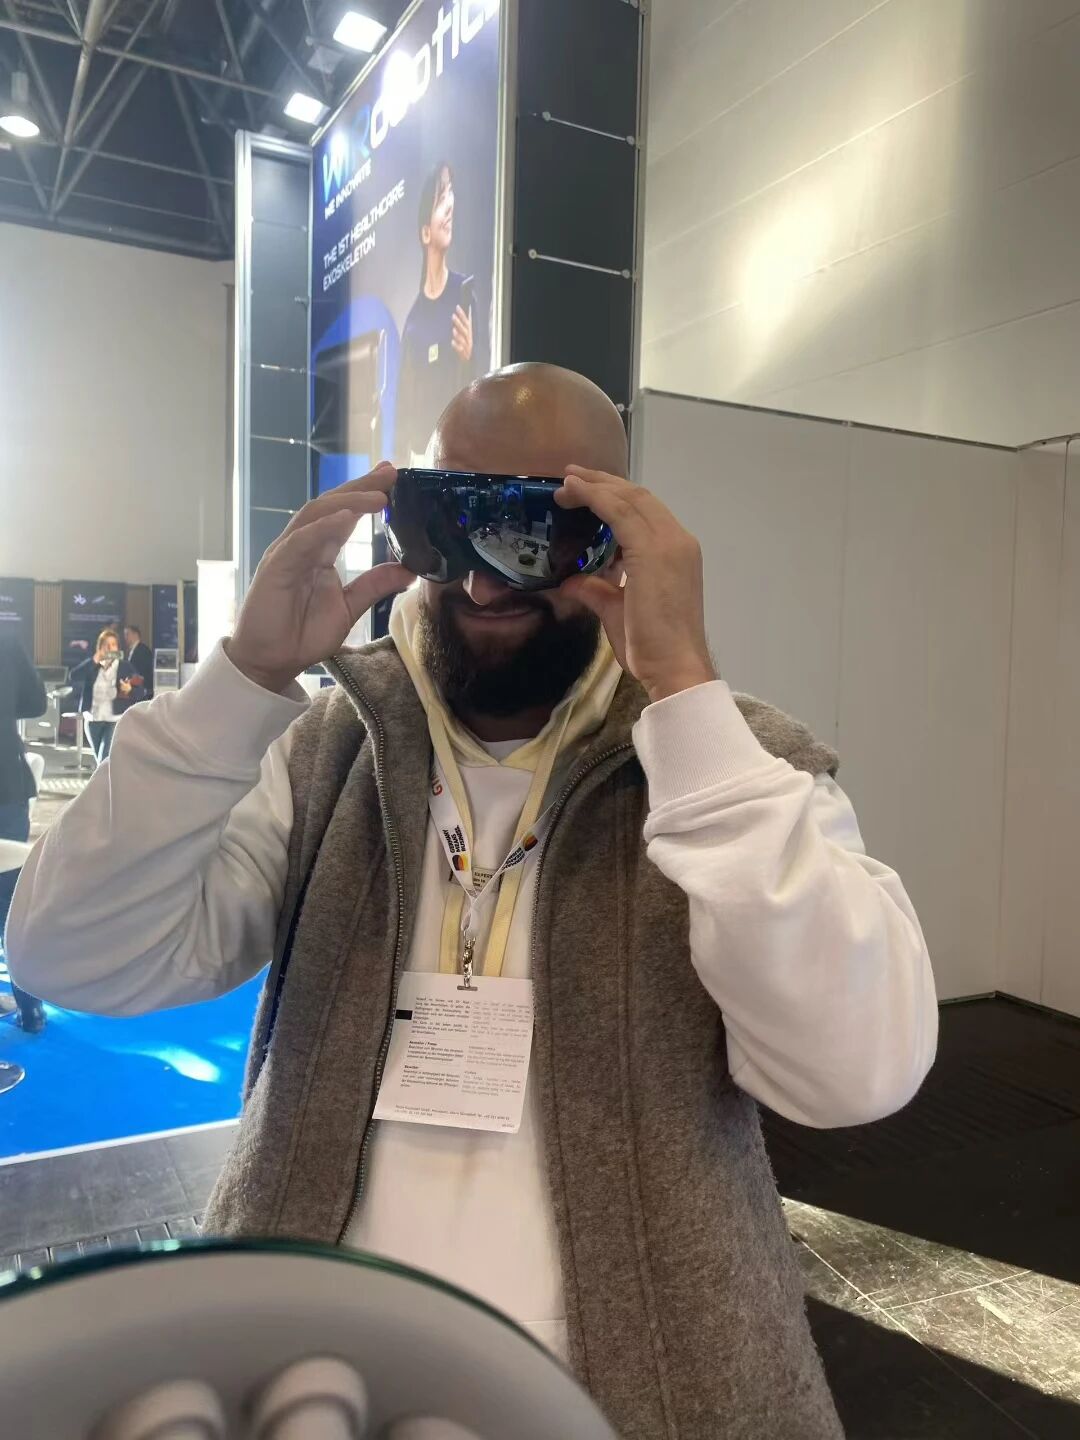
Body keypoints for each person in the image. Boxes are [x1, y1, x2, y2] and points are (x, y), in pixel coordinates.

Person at [8, 364, 938, 1440]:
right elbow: (71, 957)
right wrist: (242, 681)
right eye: (449, 523)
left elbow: (857, 1075)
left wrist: (687, 695)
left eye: (535, 529)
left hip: (649, 1385)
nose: (487, 586)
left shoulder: (734, 772)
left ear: (617, 538)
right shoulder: (326, 753)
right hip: (317, 1377)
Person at [395, 162, 488, 463]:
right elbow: (404, 406)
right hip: (421, 457)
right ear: (425, 232)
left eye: (450, 193)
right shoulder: (412, 322)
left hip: (460, 454)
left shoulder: (464, 295)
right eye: (440, 198)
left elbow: (483, 388)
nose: (450, 205)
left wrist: (468, 358)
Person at [0, 634, 47, 1034]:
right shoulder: (6, 643)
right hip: (6, 786)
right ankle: (30, 1008)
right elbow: (36, 703)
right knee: (12, 905)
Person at [69, 628, 143, 763]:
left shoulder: (125, 667)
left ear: (117, 648)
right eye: (106, 645)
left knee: (104, 759)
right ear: (100, 648)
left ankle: (105, 777)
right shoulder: (93, 666)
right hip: (93, 719)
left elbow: (140, 690)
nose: (109, 648)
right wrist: (94, 660)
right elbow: (73, 676)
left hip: (114, 720)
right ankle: (109, 777)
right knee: (100, 761)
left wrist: (130, 689)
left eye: (113, 645)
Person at [123, 624, 154, 700]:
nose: (125, 637)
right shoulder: (131, 651)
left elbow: (143, 672)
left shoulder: (143, 651)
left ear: (135, 635)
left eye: (127, 634)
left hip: (143, 691)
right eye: (125, 635)